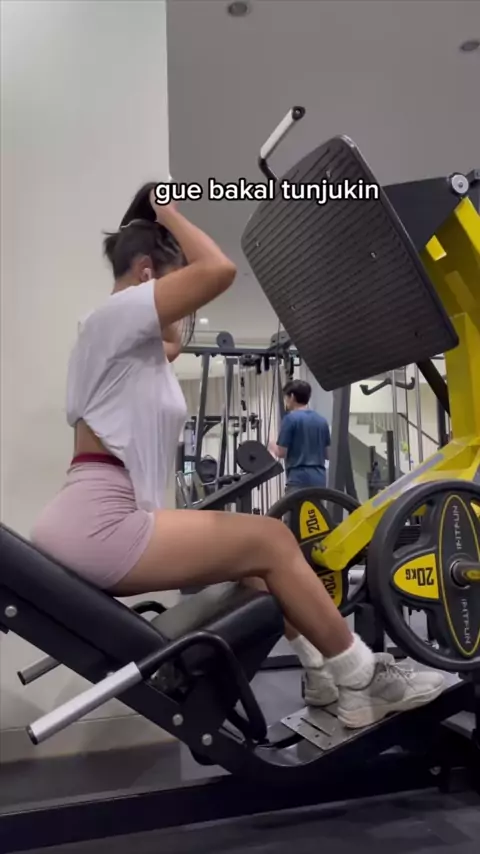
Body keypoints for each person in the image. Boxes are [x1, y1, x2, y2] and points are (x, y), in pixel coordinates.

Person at [31, 186, 444, 729]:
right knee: (271, 540)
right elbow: (219, 270)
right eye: (179, 289)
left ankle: (324, 677)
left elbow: (172, 343)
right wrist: (166, 210)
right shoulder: (116, 317)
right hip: (101, 524)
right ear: (148, 275)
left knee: (257, 562)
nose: (187, 309)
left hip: (91, 517)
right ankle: (363, 680)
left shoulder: (118, 338)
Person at [269, 380, 330, 493]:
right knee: (315, 505)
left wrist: (272, 446)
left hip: (299, 478)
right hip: (319, 477)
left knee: (296, 505)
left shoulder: (290, 419)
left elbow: (281, 453)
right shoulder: (322, 421)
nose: (286, 401)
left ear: (292, 396)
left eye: (286, 397)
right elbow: (328, 454)